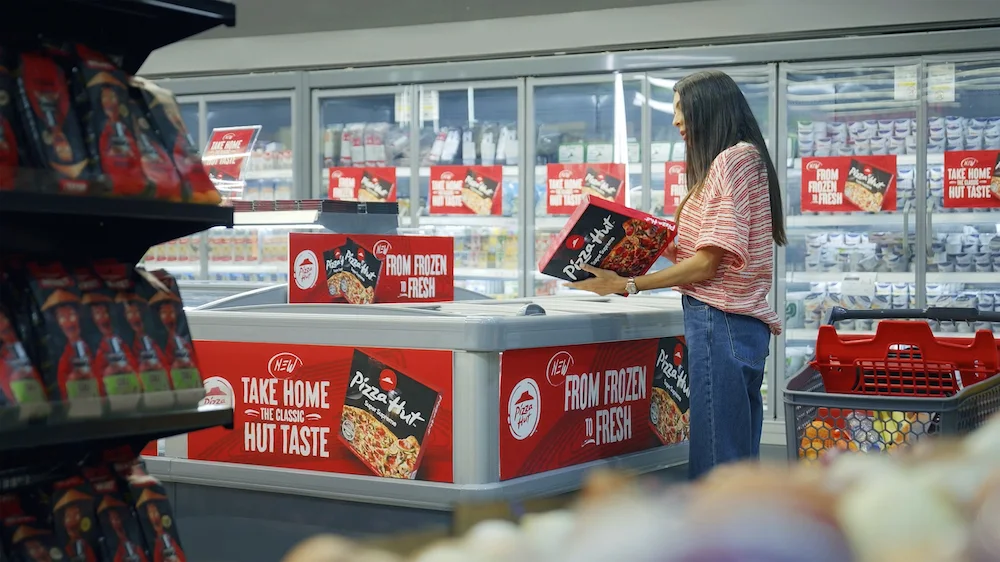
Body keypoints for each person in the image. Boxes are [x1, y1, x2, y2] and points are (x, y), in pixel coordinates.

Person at [567, 70, 786, 480]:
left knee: (717, 461)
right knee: (735, 455)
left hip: (720, 321)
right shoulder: (744, 157)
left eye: (681, 109)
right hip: (740, 327)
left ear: (708, 107)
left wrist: (626, 285)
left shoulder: (732, 160)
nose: (676, 121)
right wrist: (628, 231)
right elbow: (697, 248)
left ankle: (714, 539)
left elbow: (707, 263)